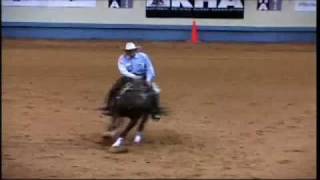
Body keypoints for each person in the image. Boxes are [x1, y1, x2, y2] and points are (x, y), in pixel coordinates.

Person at [105, 42, 161, 119]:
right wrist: (133, 77)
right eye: (128, 51)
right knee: (114, 89)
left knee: (156, 91)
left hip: (143, 77)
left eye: (131, 50)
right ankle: (109, 107)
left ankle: (155, 111)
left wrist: (148, 79)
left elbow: (149, 68)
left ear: (135, 50)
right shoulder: (122, 58)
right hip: (129, 77)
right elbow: (123, 70)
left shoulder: (143, 56)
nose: (129, 52)